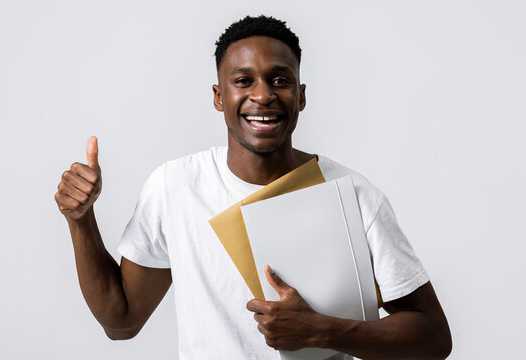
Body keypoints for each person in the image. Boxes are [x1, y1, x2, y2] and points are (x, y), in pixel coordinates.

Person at [55, 15, 452, 360]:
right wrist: (81, 220)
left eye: (280, 80)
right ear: (219, 97)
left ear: (301, 95)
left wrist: (323, 331)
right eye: (243, 80)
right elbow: (121, 323)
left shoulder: (353, 194)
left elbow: (434, 339)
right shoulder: (175, 186)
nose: (262, 95)